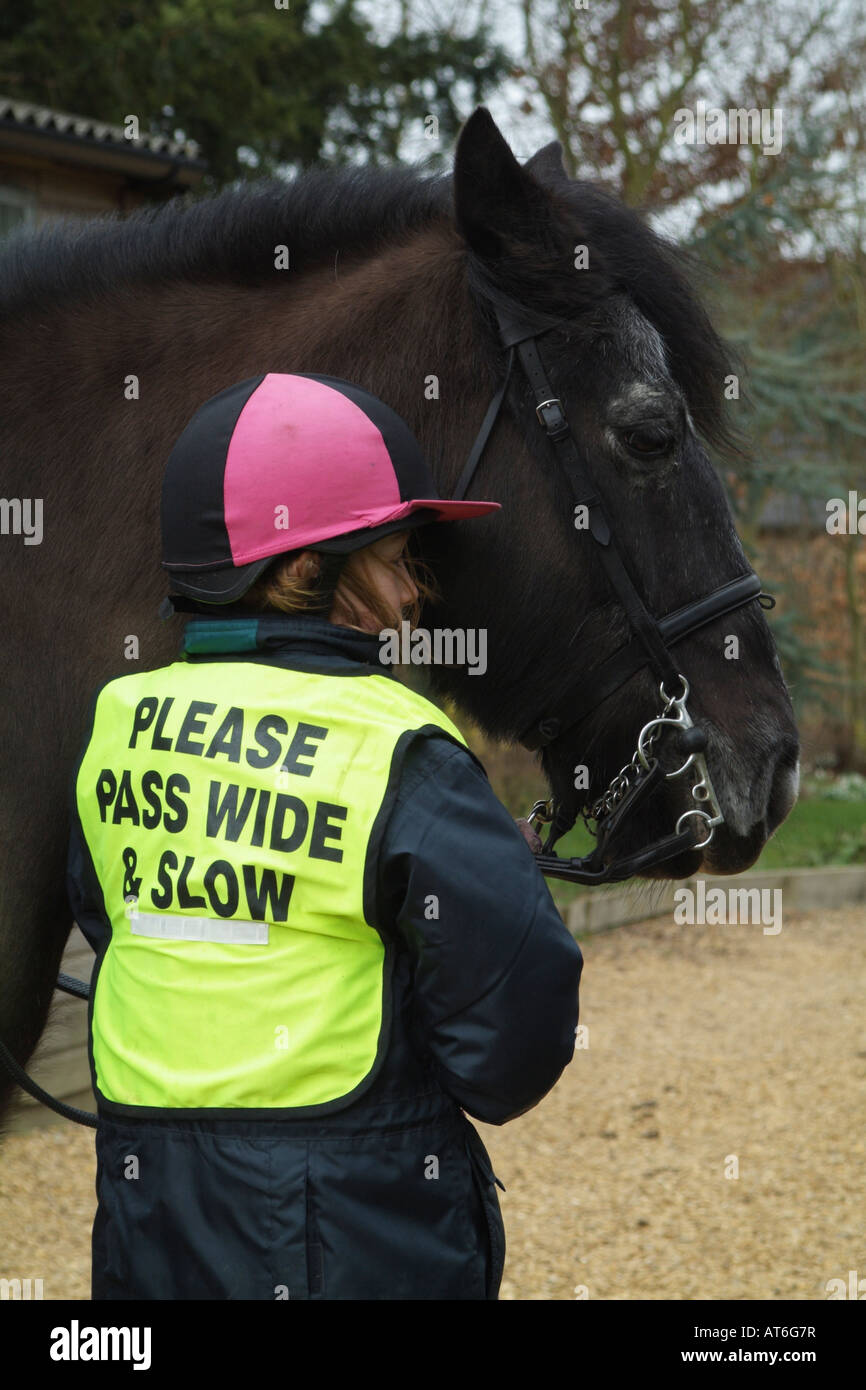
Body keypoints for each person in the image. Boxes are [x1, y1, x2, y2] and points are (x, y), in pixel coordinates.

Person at [67, 371, 584, 1301]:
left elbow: (121, 920)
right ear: (304, 569)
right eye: (393, 557)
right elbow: (514, 1035)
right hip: (358, 1229)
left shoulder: (118, 720)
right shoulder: (396, 745)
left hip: (149, 1226)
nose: (412, 591)